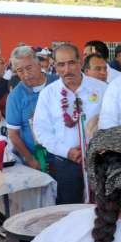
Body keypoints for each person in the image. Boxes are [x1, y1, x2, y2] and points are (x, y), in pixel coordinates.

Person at [33, 43, 107, 204]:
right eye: (61, 64)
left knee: (103, 210)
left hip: (101, 161)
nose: (67, 70)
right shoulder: (48, 94)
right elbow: (41, 131)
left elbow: (112, 123)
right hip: (65, 164)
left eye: (71, 63)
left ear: (80, 62)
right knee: (70, 213)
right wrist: (67, 151)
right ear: (55, 66)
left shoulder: (102, 89)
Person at [6, 46, 58, 171]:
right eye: (20, 71)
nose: (26, 74)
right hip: (37, 158)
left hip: (63, 155)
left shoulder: (57, 84)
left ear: (39, 64)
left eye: (29, 68)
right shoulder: (15, 97)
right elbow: (13, 134)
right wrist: (31, 160)